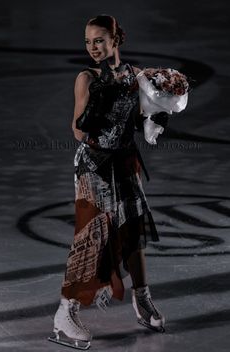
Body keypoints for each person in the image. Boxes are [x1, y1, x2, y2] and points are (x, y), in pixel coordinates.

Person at [48, 14, 166, 350]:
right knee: (90, 236)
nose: (92, 47)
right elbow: (77, 129)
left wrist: (159, 114)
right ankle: (64, 311)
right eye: (87, 41)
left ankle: (141, 299)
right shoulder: (86, 78)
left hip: (126, 164)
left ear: (116, 39)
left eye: (99, 39)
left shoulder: (135, 76)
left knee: (132, 231)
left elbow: (145, 114)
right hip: (93, 166)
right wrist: (95, 106)